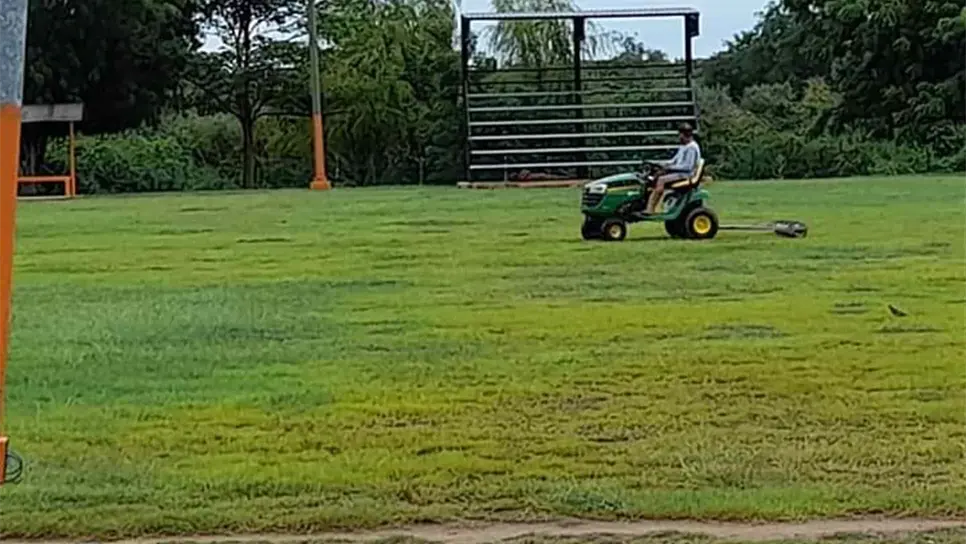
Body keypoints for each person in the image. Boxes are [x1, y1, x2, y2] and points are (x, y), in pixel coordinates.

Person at [644, 123, 701, 215]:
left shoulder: (692, 148)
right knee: (655, 176)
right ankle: (645, 204)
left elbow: (688, 167)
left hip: (686, 174)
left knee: (661, 180)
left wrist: (669, 168)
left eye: (680, 134)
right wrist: (660, 164)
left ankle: (650, 209)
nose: (679, 136)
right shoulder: (683, 146)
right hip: (680, 172)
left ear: (684, 134)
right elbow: (674, 160)